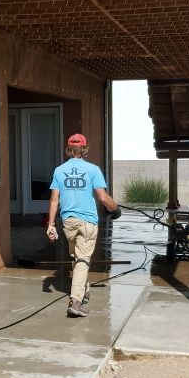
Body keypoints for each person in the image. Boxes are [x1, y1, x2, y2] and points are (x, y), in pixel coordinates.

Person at [46, 134, 121, 318]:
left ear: (69, 149)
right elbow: (103, 197)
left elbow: (54, 200)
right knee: (82, 260)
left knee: (77, 256)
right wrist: (115, 209)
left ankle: (84, 290)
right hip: (87, 222)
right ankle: (75, 302)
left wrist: (50, 225)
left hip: (68, 223)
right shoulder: (93, 169)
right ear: (85, 149)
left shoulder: (59, 170)